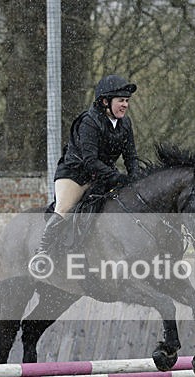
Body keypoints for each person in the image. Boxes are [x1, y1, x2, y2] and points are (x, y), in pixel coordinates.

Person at [29, 74, 139, 273]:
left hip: (103, 175)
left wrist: (136, 179)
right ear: (105, 101)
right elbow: (90, 161)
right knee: (65, 208)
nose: (125, 105)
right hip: (76, 174)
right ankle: (42, 253)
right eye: (121, 100)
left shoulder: (125, 124)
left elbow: (131, 157)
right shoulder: (89, 122)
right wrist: (117, 177)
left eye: (127, 101)